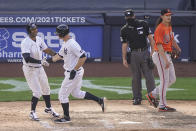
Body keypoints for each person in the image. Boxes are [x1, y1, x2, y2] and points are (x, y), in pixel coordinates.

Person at [47, 24, 105, 123]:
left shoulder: (72, 44)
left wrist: (74, 69)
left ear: (62, 33)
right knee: (76, 93)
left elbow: (83, 57)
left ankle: (66, 117)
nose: (57, 35)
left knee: (62, 95)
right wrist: (47, 61)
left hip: (74, 73)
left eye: (58, 34)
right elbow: (58, 56)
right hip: (74, 72)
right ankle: (100, 100)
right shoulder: (65, 44)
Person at [21, 23, 59, 121]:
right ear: (29, 31)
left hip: (39, 68)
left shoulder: (39, 39)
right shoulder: (25, 42)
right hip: (30, 69)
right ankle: (32, 112)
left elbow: (46, 50)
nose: (36, 30)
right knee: (37, 92)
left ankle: (48, 108)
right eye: (33, 29)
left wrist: (57, 54)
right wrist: (41, 61)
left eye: (36, 28)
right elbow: (27, 58)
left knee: (46, 89)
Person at [120, 9, 158, 106]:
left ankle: (152, 97)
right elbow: (124, 45)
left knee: (149, 76)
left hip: (145, 52)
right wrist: (124, 58)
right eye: (127, 17)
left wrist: (152, 53)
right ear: (125, 18)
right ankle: (137, 98)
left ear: (134, 16)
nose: (129, 18)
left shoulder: (143, 24)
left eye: (130, 16)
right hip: (133, 54)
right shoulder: (124, 29)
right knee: (135, 77)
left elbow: (151, 38)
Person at [150, 9, 181, 112]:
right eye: (167, 15)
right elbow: (158, 46)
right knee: (164, 81)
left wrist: (178, 48)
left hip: (166, 55)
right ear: (162, 16)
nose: (169, 17)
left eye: (170, 15)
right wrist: (165, 60)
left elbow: (171, 40)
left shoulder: (169, 26)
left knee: (172, 79)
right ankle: (162, 105)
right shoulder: (160, 28)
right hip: (160, 55)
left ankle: (153, 94)